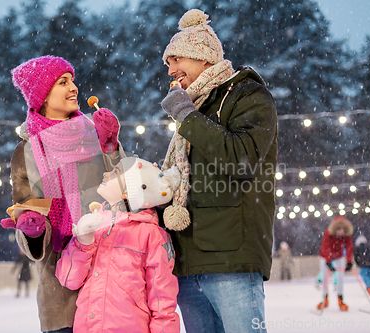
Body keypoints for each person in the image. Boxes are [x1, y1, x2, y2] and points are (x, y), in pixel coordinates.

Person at [159, 9, 278, 333]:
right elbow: (186, 177)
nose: (170, 70)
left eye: (176, 59)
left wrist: (186, 115)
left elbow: (241, 158)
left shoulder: (248, 95)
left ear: (203, 56)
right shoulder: (197, 109)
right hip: (186, 262)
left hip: (230, 260)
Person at [0, 55, 124, 333]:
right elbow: (26, 213)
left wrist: (113, 147)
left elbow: (125, 190)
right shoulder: (27, 151)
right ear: (42, 96)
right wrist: (32, 229)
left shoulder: (95, 134)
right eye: (63, 82)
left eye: (73, 81)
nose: (74, 88)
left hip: (110, 273)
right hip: (61, 283)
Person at [55, 157, 180, 332]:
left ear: (128, 191)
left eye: (116, 172)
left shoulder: (151, 235)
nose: (107, 173)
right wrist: (83, 242)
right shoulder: (95, 224)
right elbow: (68, 279)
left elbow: (162, 300)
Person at [316, 216, 354, 311]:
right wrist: (328, 261)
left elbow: (349, 247)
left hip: (338, 256)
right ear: (335, 229)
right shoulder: (328, 233)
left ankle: (340, 299)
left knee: (340, 277)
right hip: (325, 256)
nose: (341, 232)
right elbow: (326, 246)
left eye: (343, 230)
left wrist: (349, 261)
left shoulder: (346, 235)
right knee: (325, 277)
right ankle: (325, 299)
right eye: (339, 229)